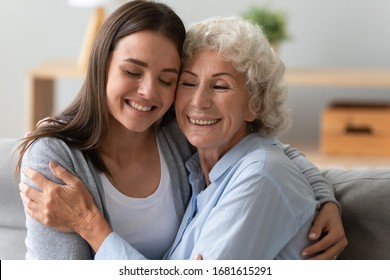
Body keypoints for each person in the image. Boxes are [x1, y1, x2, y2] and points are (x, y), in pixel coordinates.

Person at [18, 1, 346, 259]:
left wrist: (326, 199)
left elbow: (270, 156)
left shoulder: (178, 134)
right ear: (101, 66)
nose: (149, 92)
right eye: (132, 71)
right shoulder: (56, 155)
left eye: (167, 79)